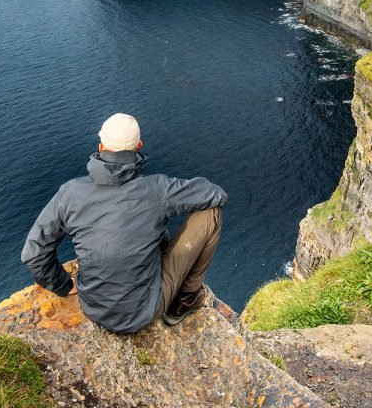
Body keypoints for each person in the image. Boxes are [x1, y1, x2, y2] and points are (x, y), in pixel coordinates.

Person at [21, 112, 226, 333]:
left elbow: (33, 252)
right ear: (139, 146)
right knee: (210, 214)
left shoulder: (70, 193)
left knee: (149, 223)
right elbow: (216, 195)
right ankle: (184, 301)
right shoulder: (157, 188)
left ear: (101, 147)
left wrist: (64, 285)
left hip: (94, 308)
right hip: (147, 310)